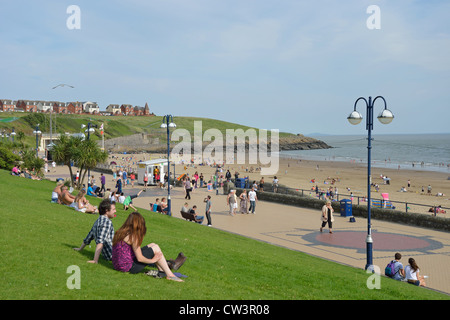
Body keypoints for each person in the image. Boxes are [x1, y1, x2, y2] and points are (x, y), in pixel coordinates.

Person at [112, 211, 184, 282]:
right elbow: (139, 258)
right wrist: (152, 260)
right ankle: (170, 275)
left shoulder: (121, 232)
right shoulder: (133, 236)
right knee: (155, 248)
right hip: (128, 267)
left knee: (153, 245)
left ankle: (162, 271)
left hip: (118, 265)